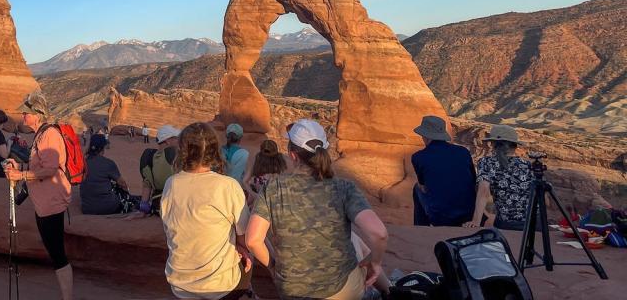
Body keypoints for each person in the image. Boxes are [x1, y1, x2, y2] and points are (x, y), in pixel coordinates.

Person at [245, 119, 389, 300]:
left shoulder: (273, 188)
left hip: (292, 290)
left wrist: (274, 268)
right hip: (341, 289)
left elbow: (253, 240)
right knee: (356, 241)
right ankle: (388, 292)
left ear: (292, 155)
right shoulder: (343, 187)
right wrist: (374, 263)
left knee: (354, 240)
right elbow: (379, 233)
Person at [161, 122, 252, 300]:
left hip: (180, 285)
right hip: (221, 286)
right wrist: (241, 247)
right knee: (247, 258)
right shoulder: (228, 186)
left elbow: (168, 227)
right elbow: (244, 236)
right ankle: (248, 292)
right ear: (214, 151)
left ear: (182, 150)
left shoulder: (171, 184)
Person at [4, 90, 73, 300]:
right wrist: (20, 165)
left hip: (52, 202)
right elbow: (41, 165)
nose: (23, 116)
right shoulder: (40, 134)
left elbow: (51, 169)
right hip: (43, 203)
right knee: (55, 252)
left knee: (58, 255)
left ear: (38, 114)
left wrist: (21, 174)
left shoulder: (49, 134)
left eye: (26, 113)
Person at [409, 115, 476, 227]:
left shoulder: (418, 157)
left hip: (441, 218)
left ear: (425, 136)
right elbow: (473, 181)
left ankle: (421, 229)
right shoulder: (463, 152)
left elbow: (423, 186)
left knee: (417, 188)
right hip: (468, 215)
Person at [465, 124, 532, 231]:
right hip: (533, 223)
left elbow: (483, 191)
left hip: (507, 223)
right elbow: (544, 199)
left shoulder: (487, 162)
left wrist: (476, 221)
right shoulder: (528, 164)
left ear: (492, 144)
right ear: (515, 146)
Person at [80, 133, 134, 214]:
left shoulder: (83, 163)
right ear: (102, 148)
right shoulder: (108, 163)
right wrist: (127, 193)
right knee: (118, 189)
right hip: (107, 207)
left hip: (87, 208)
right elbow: (122, 183)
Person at [140, 124, 180, 214]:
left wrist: (143, 207)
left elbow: (147, 184)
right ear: (168, 141)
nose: (179, 140)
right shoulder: (173, 154)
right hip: (175, 207)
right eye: (176, 138)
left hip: (158, 206)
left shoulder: (149, 157)